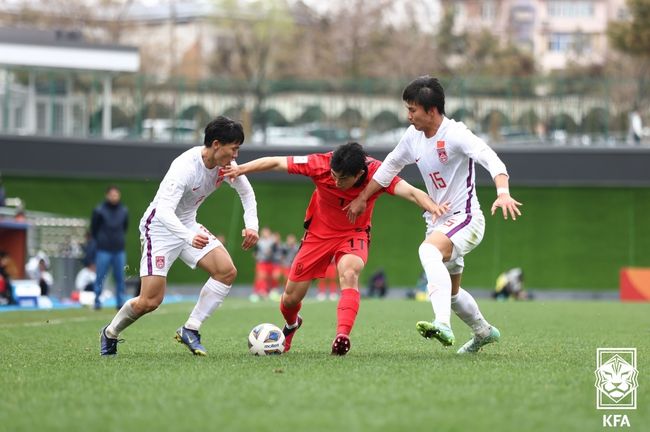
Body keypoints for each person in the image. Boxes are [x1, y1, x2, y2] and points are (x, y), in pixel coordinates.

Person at [346, 76, 522, 354]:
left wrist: (502, 191)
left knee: (427, 253)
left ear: (432, 111)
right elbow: (390, 166)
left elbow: (491, 158)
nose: (408, 116)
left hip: (466, 218)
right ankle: (483, 332)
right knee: (450, 293)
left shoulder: (455, 134)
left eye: (412, 109)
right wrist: (362, 197)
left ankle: (443, 324)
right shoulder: (413, 137)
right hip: (439, 222)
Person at [225, 142, 448, 355]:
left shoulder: (378, 173)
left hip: (354, 233)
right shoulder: (321, 164)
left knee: (349, 273)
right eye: (334, 175)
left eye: (342, 179)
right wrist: (240, 169)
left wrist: (434, 208)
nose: (335, 181)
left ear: (359, 174)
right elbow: (276, 162)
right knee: (290, 299)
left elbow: (411, 192)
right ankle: (292, 324)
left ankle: (342, 336)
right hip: (317, 236)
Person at [99, 116, 259, 356]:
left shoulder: (225, 167)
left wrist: (252, 226)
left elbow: (246, 193)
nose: (236, 155)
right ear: (216, 144)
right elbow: (163, 211)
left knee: (226, 271)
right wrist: (187, 236)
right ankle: (110, 332)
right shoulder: (184, 167)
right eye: (234, 148)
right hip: (160, 228)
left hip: (187, 225)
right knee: (150, 301)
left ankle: (190, 329)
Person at [91, 185, 128, 310]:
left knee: (120, 278)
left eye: (116, 194)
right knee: (100, 276)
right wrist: (102, 241)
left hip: (119, 250)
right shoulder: (99, 210)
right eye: (112, 195)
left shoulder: (124, 211)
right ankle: (97, 301)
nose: (114, 197)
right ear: (107, 195)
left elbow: (124, 227)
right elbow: (94, 229)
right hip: (104, 250)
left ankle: (120, 302)